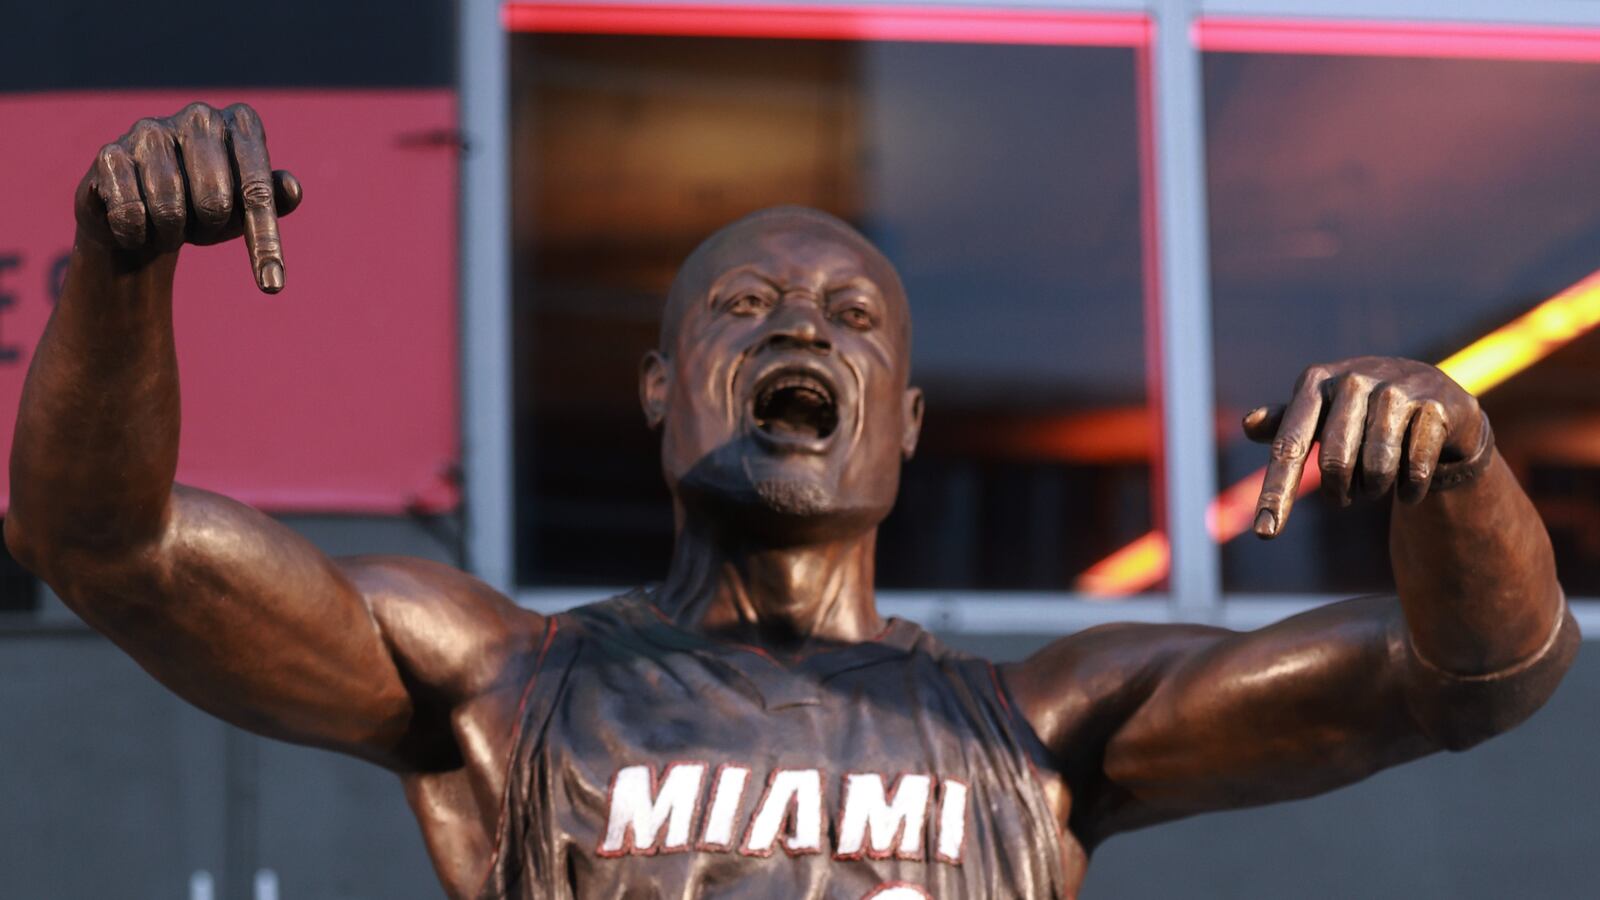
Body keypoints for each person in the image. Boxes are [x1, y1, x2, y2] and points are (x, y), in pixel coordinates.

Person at [6, 102, 1576, 900]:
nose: (799, 329)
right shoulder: (501, 684)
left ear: (900, 423)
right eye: (743, 305)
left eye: (849, 317)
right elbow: (102, 542)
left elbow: (1475, 681)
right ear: (659, 384)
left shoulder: (1040, 729)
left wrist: (1462, 472)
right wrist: (122, 270)